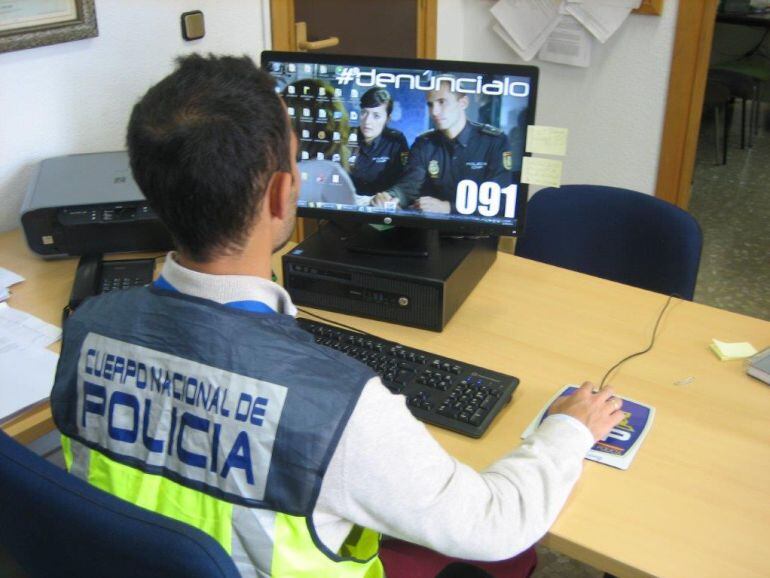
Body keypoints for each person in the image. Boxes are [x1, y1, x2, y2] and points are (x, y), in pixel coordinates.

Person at [50, 55, 625, 578]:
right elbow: (495, 523)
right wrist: (567, 430)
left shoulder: (85, 328)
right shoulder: (339, 408)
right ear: (283, 195)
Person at [374, 78, 514, 215]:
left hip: (478, 228)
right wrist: (390, 197)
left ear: (463, 103)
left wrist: (448, 208)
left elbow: (501, 200)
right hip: (432, 227)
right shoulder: (424, 143)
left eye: (442, 102)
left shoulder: (494, 141)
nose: (434, 112)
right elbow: (409, 186)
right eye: (430, 104)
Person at [349, 87, 409, 204]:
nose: (367, 121)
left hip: (380, 206)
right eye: (364, 112)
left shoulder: (395, 141)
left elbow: (404, 179)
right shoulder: (347, 136)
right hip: (348, 205)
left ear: (387, 119)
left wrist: (390, 197)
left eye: (376, 116)